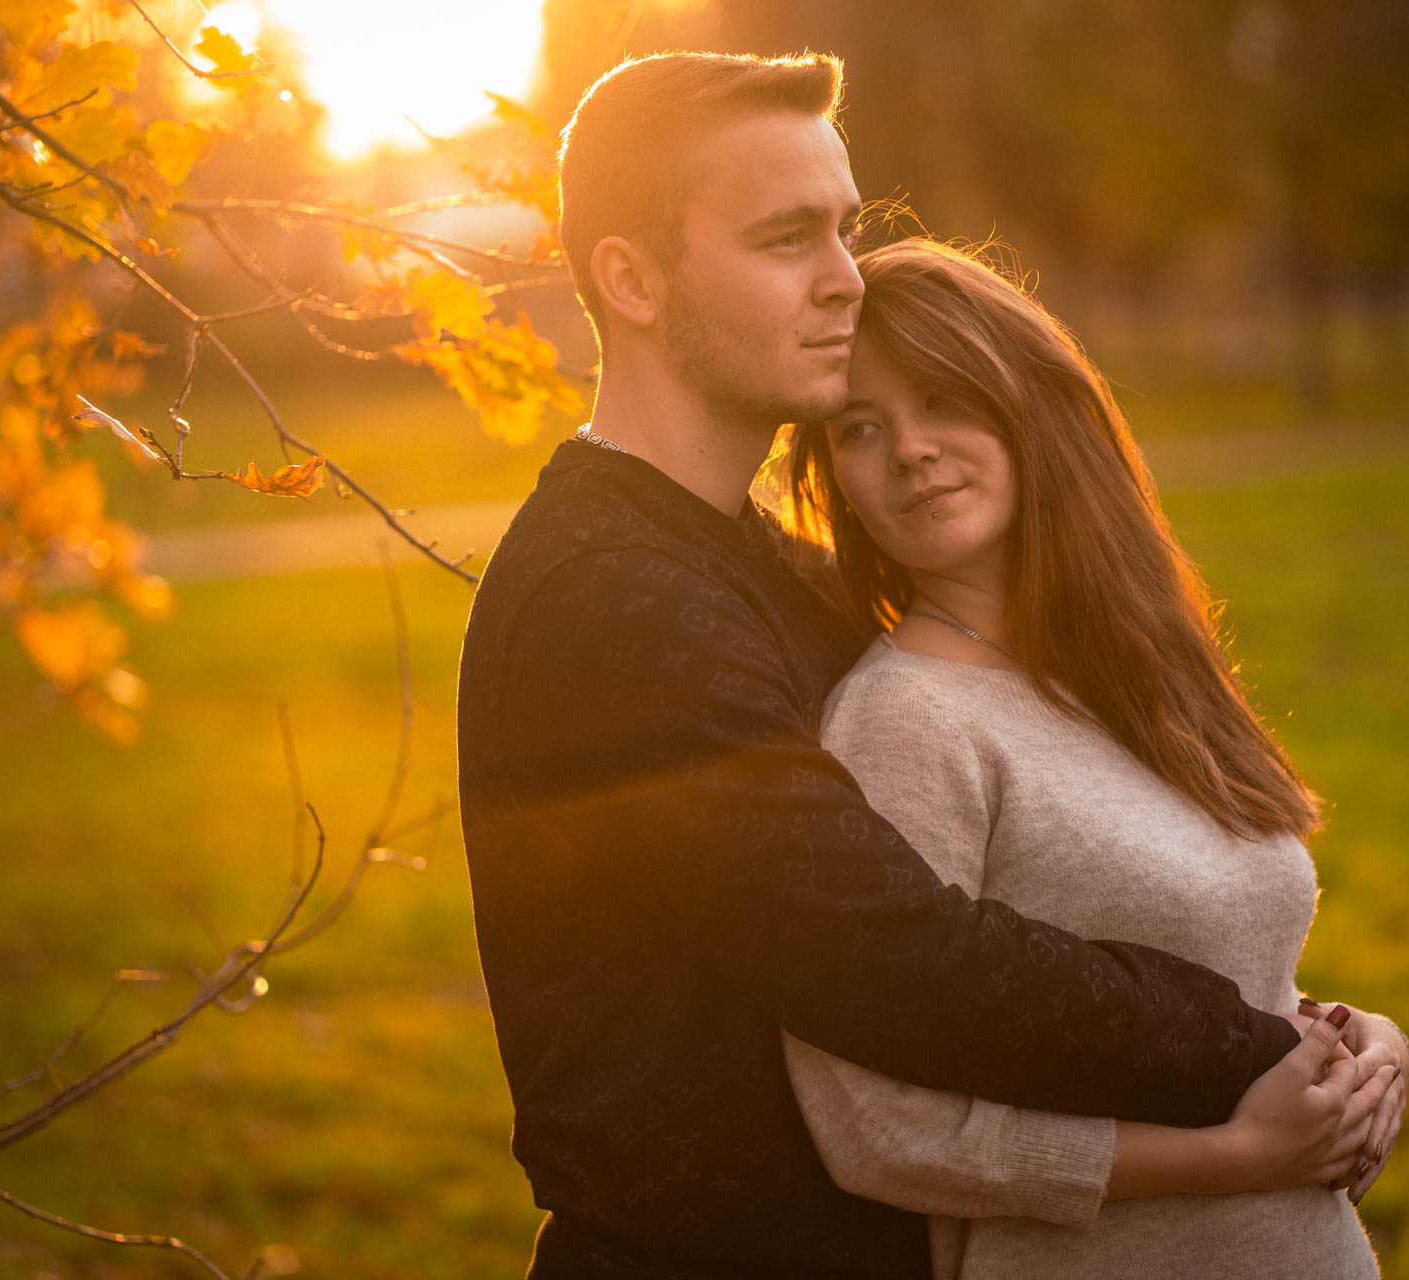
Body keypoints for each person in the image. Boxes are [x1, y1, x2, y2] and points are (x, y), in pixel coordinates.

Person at [456, 51, 1354, 1279]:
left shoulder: (757, 565)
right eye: (784, 240)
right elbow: (903, 960)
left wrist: (1333, 1037)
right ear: (633, 278)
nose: (842, 282)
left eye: (844, 228)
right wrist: (1253, 1045)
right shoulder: (612, 595)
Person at [779, 236, 1409, 1278]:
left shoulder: (1129, 669)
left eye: (945, 397)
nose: (911, 448)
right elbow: (879, 1125)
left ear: (1031, 405)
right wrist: (1233, 1153)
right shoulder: (904, 724)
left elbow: (1201, 979)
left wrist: (1361, 1038)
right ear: (834, 477)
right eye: (860, 426)